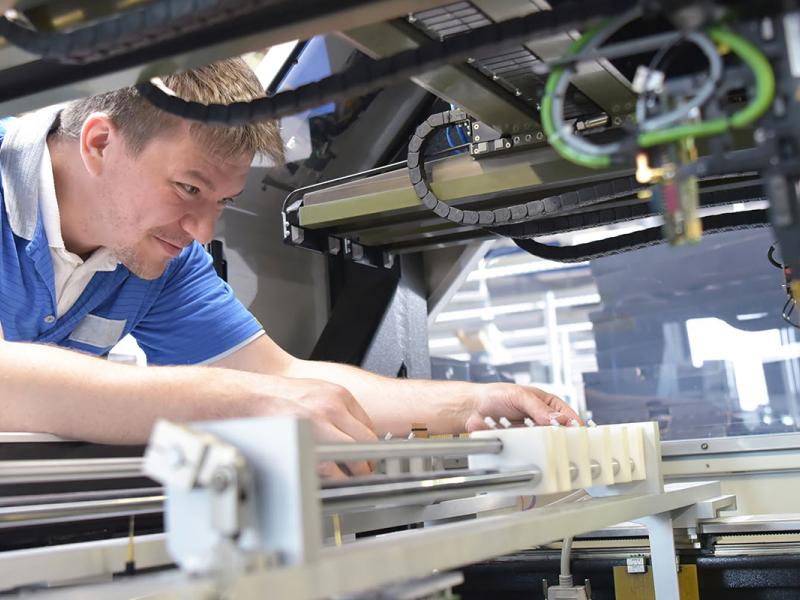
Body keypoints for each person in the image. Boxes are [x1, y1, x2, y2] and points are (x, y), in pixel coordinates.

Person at [0, 57, 580, 477]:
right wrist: (239, 404)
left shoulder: (159, 259)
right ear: (100, 143)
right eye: (188, 188)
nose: (201, 232)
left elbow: (278, 377)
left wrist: (471, 404)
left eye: (221, 204)